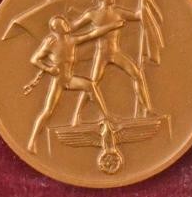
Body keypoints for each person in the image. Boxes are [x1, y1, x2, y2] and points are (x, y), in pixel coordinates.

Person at [27, 14, 122, 154]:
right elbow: (35, 59)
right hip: (58, 80)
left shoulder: (71, 40)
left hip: (69, 79)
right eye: (62, 25)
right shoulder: (51, 43)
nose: (66, 25)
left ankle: (106, 116)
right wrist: (48, 68)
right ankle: (32, 141)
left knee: (90, 85)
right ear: (56, 29)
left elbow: (92, 34)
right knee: (47, 111)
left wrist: (112, 26)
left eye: (65, 22)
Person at [71, 0, 151, 124]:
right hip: (101, 55)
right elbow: (71, 28)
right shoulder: (92, 15)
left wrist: (144, 1)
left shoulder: (118, 12)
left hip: (115, 52)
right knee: (92, 84)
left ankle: (146, 110)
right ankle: (77, 115)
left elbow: (138, 16)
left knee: (137, 75)